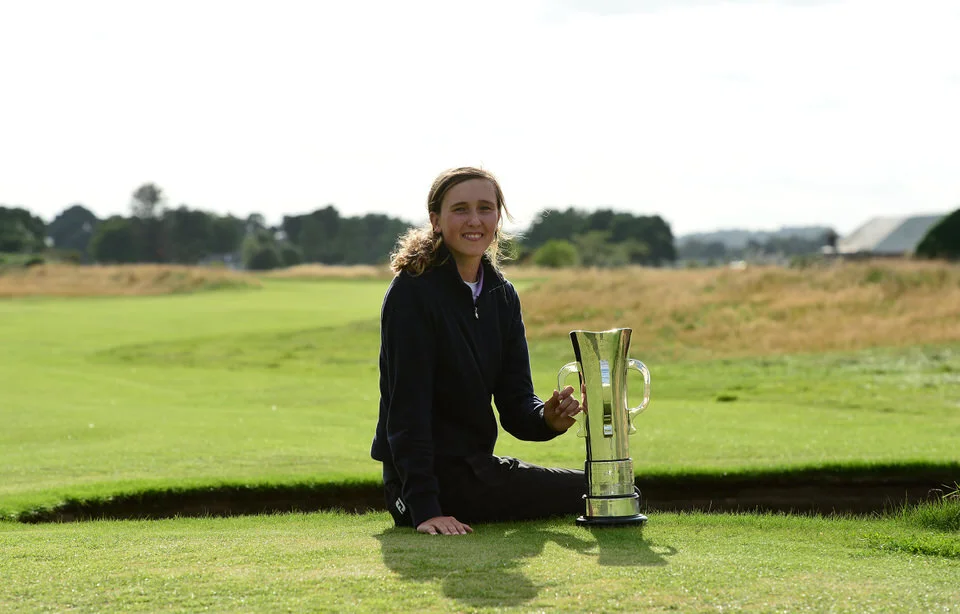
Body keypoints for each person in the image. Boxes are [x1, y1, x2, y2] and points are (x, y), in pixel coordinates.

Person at [370, 166, 586, 536]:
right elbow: (407, 411)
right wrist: (425, 509)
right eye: (460, 209)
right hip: (418, 486)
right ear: (436, 221)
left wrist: (547, 419)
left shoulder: (502, 295)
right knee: (600, 492)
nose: (474, 220)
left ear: (498, 218)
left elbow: (516, 404)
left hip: (477, 470)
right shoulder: (412, 293)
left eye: (485, 208)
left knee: (607, 488)